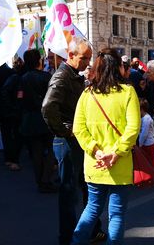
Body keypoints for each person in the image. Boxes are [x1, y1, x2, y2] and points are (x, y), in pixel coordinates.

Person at [71, 48, 141, 244]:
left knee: (92, 208)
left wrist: (96, 150)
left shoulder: (87, 94)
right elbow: (133, 128)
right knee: (116, 214)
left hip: (95, 163)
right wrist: (117, 153)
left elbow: (78, 129)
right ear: (118, 67)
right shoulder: (127, 92)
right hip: (120, 163)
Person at [42, 38, 104, 245]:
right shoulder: (62, 77)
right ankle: (67, 238)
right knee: (69, 192)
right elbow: (48, 107)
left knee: (84, 186)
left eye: (89, 58)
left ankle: (90, 231)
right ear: (71, 55)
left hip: (75, 140)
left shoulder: (72, 76)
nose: (88, 62)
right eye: (84, 58)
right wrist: (64, 131)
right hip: (68, 142)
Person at [19, 49, 57, 193]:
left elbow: (21, 98)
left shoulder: (24, 78)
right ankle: (46, 178)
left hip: (30, 119)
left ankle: (40, 181)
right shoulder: (46, 77)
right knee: (52, 150)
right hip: (45, 118)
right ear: (38, 61)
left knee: (37, 152)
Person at [0, 57, 25, 171]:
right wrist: (12, 106)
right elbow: (5, 92)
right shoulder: (15, 78)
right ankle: (11, 158)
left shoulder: (18, 77)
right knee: (12, 135)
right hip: (12, 112)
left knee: (12, 135)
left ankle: (11, 158)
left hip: (13, 111)